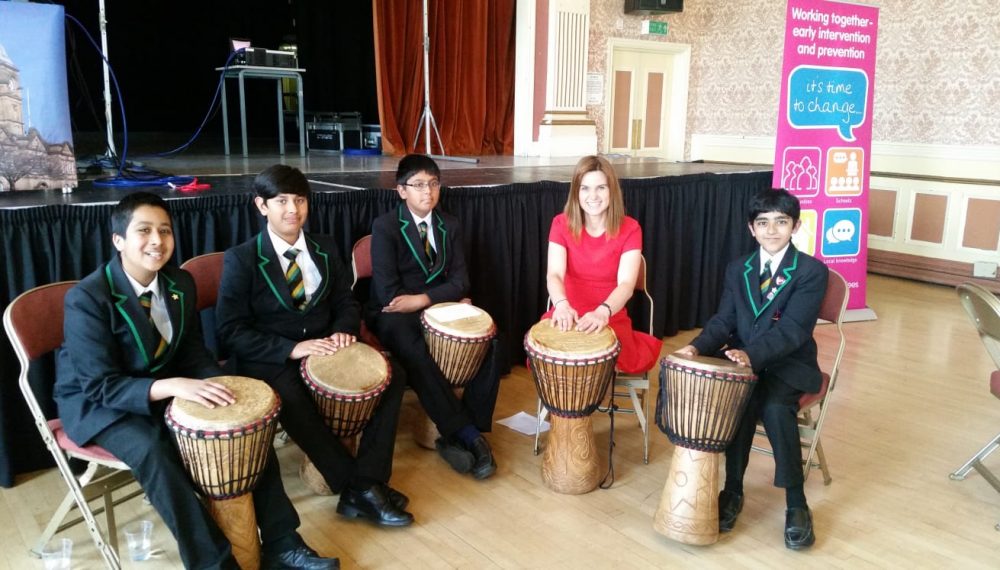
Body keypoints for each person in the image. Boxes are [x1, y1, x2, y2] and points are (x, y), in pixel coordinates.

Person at [55, 192, 337, 570]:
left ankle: (282, 543)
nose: (157, 240)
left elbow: (192, 352)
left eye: (165, 231)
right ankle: (214, 564)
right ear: (118, 240)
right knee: (154, 450)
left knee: (244, 426)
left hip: (165, 385)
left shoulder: (179, 282)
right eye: (144, 231)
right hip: (101, 403)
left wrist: (227, 392)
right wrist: (174, 387)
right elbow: (100, 385)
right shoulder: (87, 298)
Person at [216, 165, 413, 527]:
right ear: (262, 206)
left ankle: (369, 480)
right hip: (273, 356)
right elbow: (229, 331)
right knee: (292, 395)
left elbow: (345, 302)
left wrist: (342, 330)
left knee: (394, 375)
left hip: (326, 346)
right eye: (282, 201)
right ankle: (357, 488)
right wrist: (292, 349)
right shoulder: (242, 258)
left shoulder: (324, 246)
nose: (293, 210)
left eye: (300, 200)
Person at [675, 187, 828, 550]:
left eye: (781, 222)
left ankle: (796, 503)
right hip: (745, 364)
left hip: (788, 363)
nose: (771, 230)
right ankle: (733, 490)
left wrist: (750, 355)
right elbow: (724, 319)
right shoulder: (738, 269)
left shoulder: (810, 271)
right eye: (763, 223)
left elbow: (793, 331)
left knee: (776, 408)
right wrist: (696, 346)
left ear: (795, 226)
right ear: (751, 228)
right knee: (736, 405)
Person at [367, 154, 500, 480]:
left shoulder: (449, 225)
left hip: (431, 307)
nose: (428, 192)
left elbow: (461, 281)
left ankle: (468, 426)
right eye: (418, 185)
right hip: (393, 315)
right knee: (414, 348)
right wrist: (431, 299)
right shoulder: (385, 227)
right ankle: (468, 435)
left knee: (492, 340)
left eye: (433, 184)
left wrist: (424, 300)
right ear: (401, 191)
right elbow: (387, 292)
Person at [544, 155, 660, 374]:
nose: (593, 196)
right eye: (585, 188)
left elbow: (626, 284)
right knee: (553, 358)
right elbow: (554, 275)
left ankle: (573, 407)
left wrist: (603, 312)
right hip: (568, 312)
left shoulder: (631, 228)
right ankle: (571, 407)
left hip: (608, 316)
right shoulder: (560, 223)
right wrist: (560, 304)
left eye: (601, 188)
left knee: (591, 361)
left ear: (612, 191)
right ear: (576, 193)